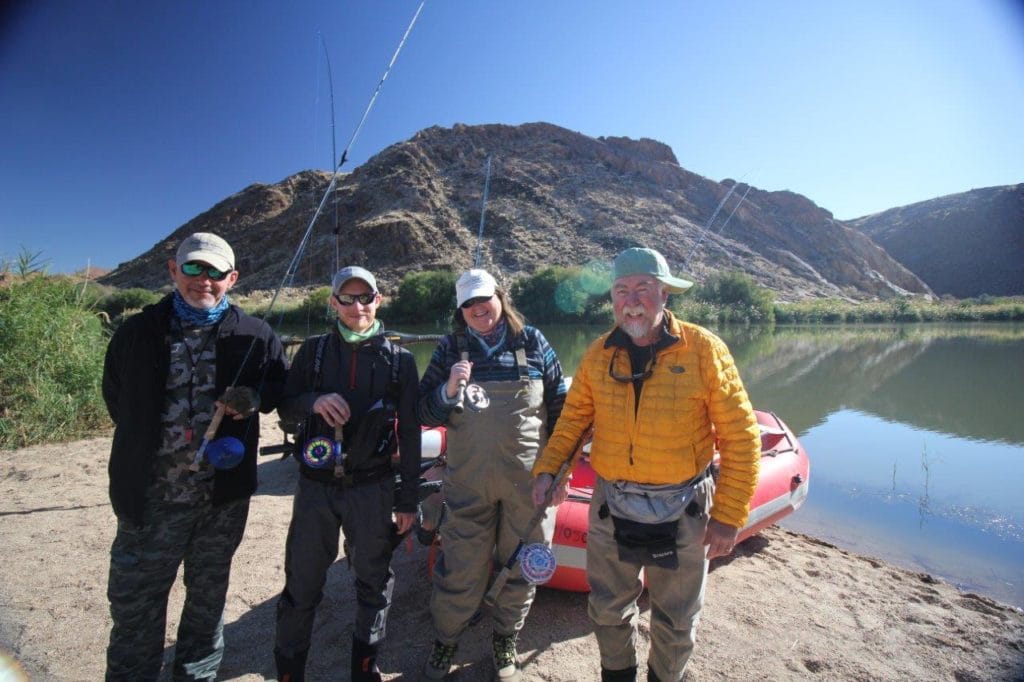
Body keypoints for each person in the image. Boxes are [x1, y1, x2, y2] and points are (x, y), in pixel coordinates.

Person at [531, 247, 761, 682]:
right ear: (612, 299)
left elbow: (741, 438)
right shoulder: (599, 353)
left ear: (665, 296)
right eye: (622, 290)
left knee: (676, 619)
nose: (631, 300)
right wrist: (549, 470)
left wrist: (729, 515)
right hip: (610, 504)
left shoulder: (705, 349)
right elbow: (574, 421)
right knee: (607, 609)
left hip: (685, 507)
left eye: (643, 289)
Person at [102, 232, 288, 681]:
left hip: (221, 504)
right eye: (193, 268)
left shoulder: (256, 334)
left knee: (205, 613)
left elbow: (281, 389)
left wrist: (255, 395)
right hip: (149, 501)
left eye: (215, 272)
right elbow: (115, 398)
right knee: (134, 614)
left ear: (232, 278)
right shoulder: (136, 331)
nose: (203, 280)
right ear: (173, 270)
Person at [273, 266, 421, 682]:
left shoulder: (400, 361)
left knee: (373, 583)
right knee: (301, 584)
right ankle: (289, 674)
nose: (357, 306)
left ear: (379, 300)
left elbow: (409, 433)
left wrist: (407, 499)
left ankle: (364, 671)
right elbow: (285, 405)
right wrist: (315, 401)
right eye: (347, 298)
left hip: (373, 489)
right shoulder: (314, 351)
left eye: (365, 297)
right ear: (333, 303)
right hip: (315, 489)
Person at [418, 269, 567, 682]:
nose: (477, 309)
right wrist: (447, 391)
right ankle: (447, 638)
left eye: (483, 299)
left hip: (530, 485)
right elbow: (421, 411)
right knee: (460, 565)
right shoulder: (450, 348)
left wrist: (560, 471)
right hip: (468, 483)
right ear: (459, 310)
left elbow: (561, 410)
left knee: (522, 563)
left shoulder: (533, 341)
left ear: (501, 296)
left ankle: (505, 637)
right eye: (467, 304)